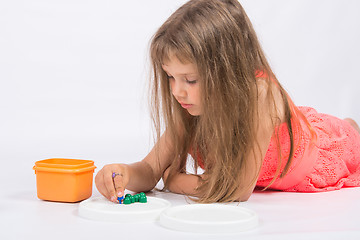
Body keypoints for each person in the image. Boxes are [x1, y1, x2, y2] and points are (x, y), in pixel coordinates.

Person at [95, 0, 360, 203]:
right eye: (170, 77)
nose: (177, 91)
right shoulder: (189, 105)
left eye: (191, 80)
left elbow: (237, 190)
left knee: (350, 138)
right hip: (287, 135)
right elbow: (151, 169)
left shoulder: (260, 95)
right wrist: (124, 173)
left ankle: (350, 127)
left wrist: (175, 181)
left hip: (315, 154)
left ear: (227, 71)